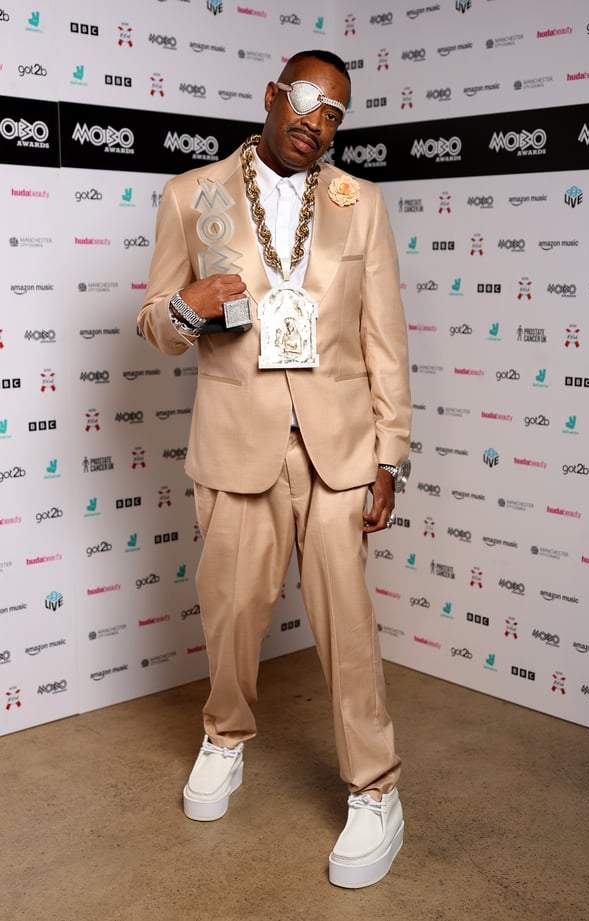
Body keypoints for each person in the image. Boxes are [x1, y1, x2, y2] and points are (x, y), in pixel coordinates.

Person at [138, 49, 411, 889]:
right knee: (228, 614)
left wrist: (389, 454)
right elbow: (154, 320)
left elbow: (383, 336)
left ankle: (376, 789)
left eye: (334, 112)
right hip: (236, 443)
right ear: (271, 96)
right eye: (304, 100)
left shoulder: (358, 204)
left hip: (337, 448)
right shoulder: (193, 193)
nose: (315, 121)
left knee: (349, 629)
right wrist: (190, 307)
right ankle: (224, 738)